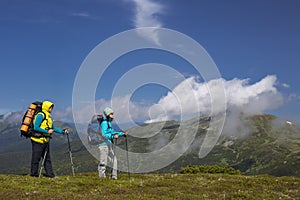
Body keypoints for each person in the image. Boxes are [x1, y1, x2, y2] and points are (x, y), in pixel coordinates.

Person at [30, 100, 69, 178]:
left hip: (45, 140)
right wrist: (46, 131)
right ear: (46, 107)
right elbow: (36, 127)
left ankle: (50, 174)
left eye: (52, 107)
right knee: (36, 157)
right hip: (37, 140)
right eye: (51, 107)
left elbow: (53, 128)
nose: (52, 109)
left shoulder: (48, 117)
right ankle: (34, 174)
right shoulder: (40, 115)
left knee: (47, 158)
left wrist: (63, 131)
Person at [98, 107, 128, 180]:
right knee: (103, 161)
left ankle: (113, 176)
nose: (113, 115)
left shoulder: (109, 122)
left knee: (113, 160)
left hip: (109, 144)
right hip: (103, 144)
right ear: (108, 114)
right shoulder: (104, 123)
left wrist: (121, 134)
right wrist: (112, 136)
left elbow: (112, 132)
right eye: (111, 114)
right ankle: (102, 177)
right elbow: (104, 134)